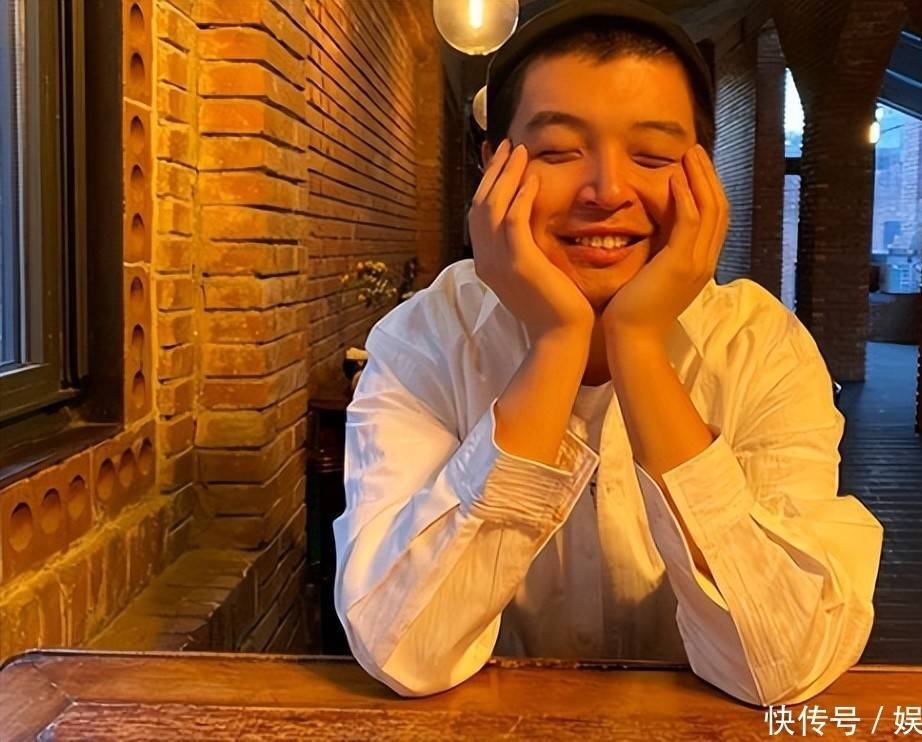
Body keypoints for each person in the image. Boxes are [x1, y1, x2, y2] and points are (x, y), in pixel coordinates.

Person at [334, 0, 883, 706]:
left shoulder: (759, 347)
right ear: (491, 168)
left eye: (651, 156)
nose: (608, 192)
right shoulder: (427, 341)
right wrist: (557, 343)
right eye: (558, 151)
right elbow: (403, 650)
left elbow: (780, 663)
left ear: (704, 177)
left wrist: (640, 345)